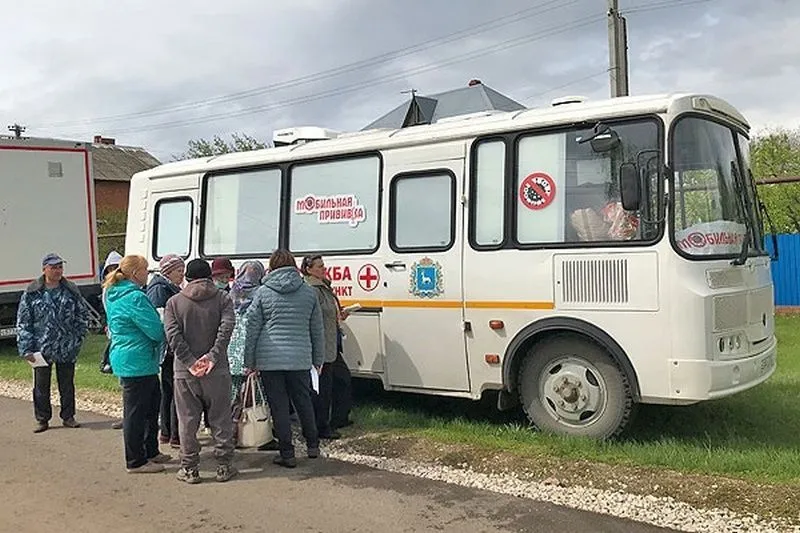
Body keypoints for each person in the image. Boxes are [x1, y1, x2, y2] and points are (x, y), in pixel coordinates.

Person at [244, 249, 325, 468]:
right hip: (300, 358)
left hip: (270, 360)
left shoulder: (263, 292)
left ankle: (287, 453)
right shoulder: (308, 292)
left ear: (272, 266)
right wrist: (319, 359)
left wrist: (249, 361)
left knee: (278, 406)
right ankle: (313, 445)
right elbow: (317, 329)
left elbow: (252, 328)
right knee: (303, 401)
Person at [164, 259, 237, 484]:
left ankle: (190, 468)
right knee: (220, 417)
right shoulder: (223, 299)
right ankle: (223, 465)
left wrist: (189, 361)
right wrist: (212, 357)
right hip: (217, 370)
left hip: (185, 372)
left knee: (187, 420)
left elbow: (172, 335)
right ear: (210, 276)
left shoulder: (174, 302)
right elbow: (226, 329)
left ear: (187, 276)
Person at [104, 255, 171, 474]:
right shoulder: (134, 298)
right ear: (135, 273)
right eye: (145, 270)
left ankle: (150, 450)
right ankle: (135, 460)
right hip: (136, 359)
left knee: (152, 405)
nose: (148, 274)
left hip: (134, 358)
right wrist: (162, 327)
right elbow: (153, 329)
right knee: (136, 412)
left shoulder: (114, 293)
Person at [16, 253, 89, 433]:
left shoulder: (70, 290)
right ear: (44, 269)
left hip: (66, 346)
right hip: (41, 348)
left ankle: (68, 416)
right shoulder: (32, 292)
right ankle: (42, 419)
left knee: (67, 383)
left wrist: (78, 337)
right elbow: (24, 322)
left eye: (60, 267)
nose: (57, 271)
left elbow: (82, 315)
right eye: (53, 267)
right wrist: (26, 348)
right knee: (41, 386)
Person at [301, 254, 353, 440]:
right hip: (321, 346)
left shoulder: (324, 287)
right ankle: (320, 427)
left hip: (331, 343)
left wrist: (340, 314)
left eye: (324, 266)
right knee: (322, 389)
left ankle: (339, 419)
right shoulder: (310, 289)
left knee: (342, 380)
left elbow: (328, 311)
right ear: (309, 269)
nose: (324, 269)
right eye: (320, 266)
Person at [145, 254, 185, 448]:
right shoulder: (160, 289)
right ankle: (175, 434)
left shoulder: (165, 287)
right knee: (174, 390)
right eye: (179, 271)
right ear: (168, 271)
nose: (182, 276)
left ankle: (167, 432)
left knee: (168, 390)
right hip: (169, 347)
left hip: (167, 347)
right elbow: (162, 320)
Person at [99, 250, 124, 430]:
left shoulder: (127, 289)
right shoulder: (107, 290)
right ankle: (127, 415)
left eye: (117, 268)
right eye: (111, 269)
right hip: (117, 339)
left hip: (123, 339)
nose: (114, 272)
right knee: (123, 380)